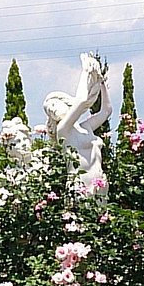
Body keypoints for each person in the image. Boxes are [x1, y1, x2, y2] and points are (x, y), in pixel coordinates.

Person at [43, 53, 112, 189]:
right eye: (49, 110)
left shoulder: (86, 128)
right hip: (80, 188)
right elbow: (81, 100)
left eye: (54, 104)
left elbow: (106, 111)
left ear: (66, 103)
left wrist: (101, 81)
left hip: (99, 187)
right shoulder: (63, 131)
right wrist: (86, 72)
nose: (52, 110)